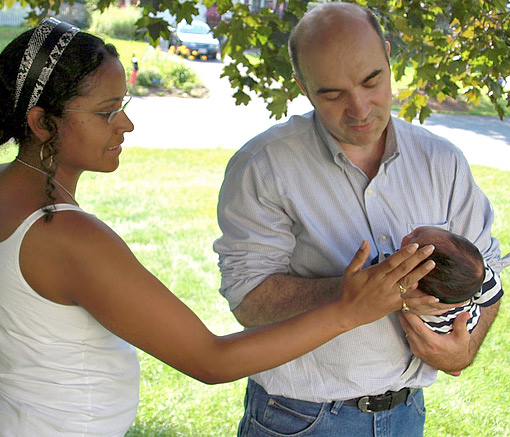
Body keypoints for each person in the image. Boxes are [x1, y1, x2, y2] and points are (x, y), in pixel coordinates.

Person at [0, 18, 437, 436]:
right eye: (106, 111)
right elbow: (210, 360)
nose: (127, 123)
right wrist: (348, 310)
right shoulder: (66, 236)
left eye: (125, 105)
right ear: (42, 123)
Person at [213, 3, 505, 436]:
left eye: (372, 81)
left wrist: (462, 351)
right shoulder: (263, 166)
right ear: (302, 86)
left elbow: (488, 271)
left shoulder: (442, 160)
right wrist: (356, 294)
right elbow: (248, 299)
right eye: (331, 94)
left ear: (389, 57)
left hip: (407, 414)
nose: (360, 108)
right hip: (299, 418)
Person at [398, 226, 504, 334]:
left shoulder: (403, 278)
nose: (407, 236)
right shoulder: (475, 271)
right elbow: (493, 297)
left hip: (429, 334)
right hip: (464, 326)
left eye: (416, 236)